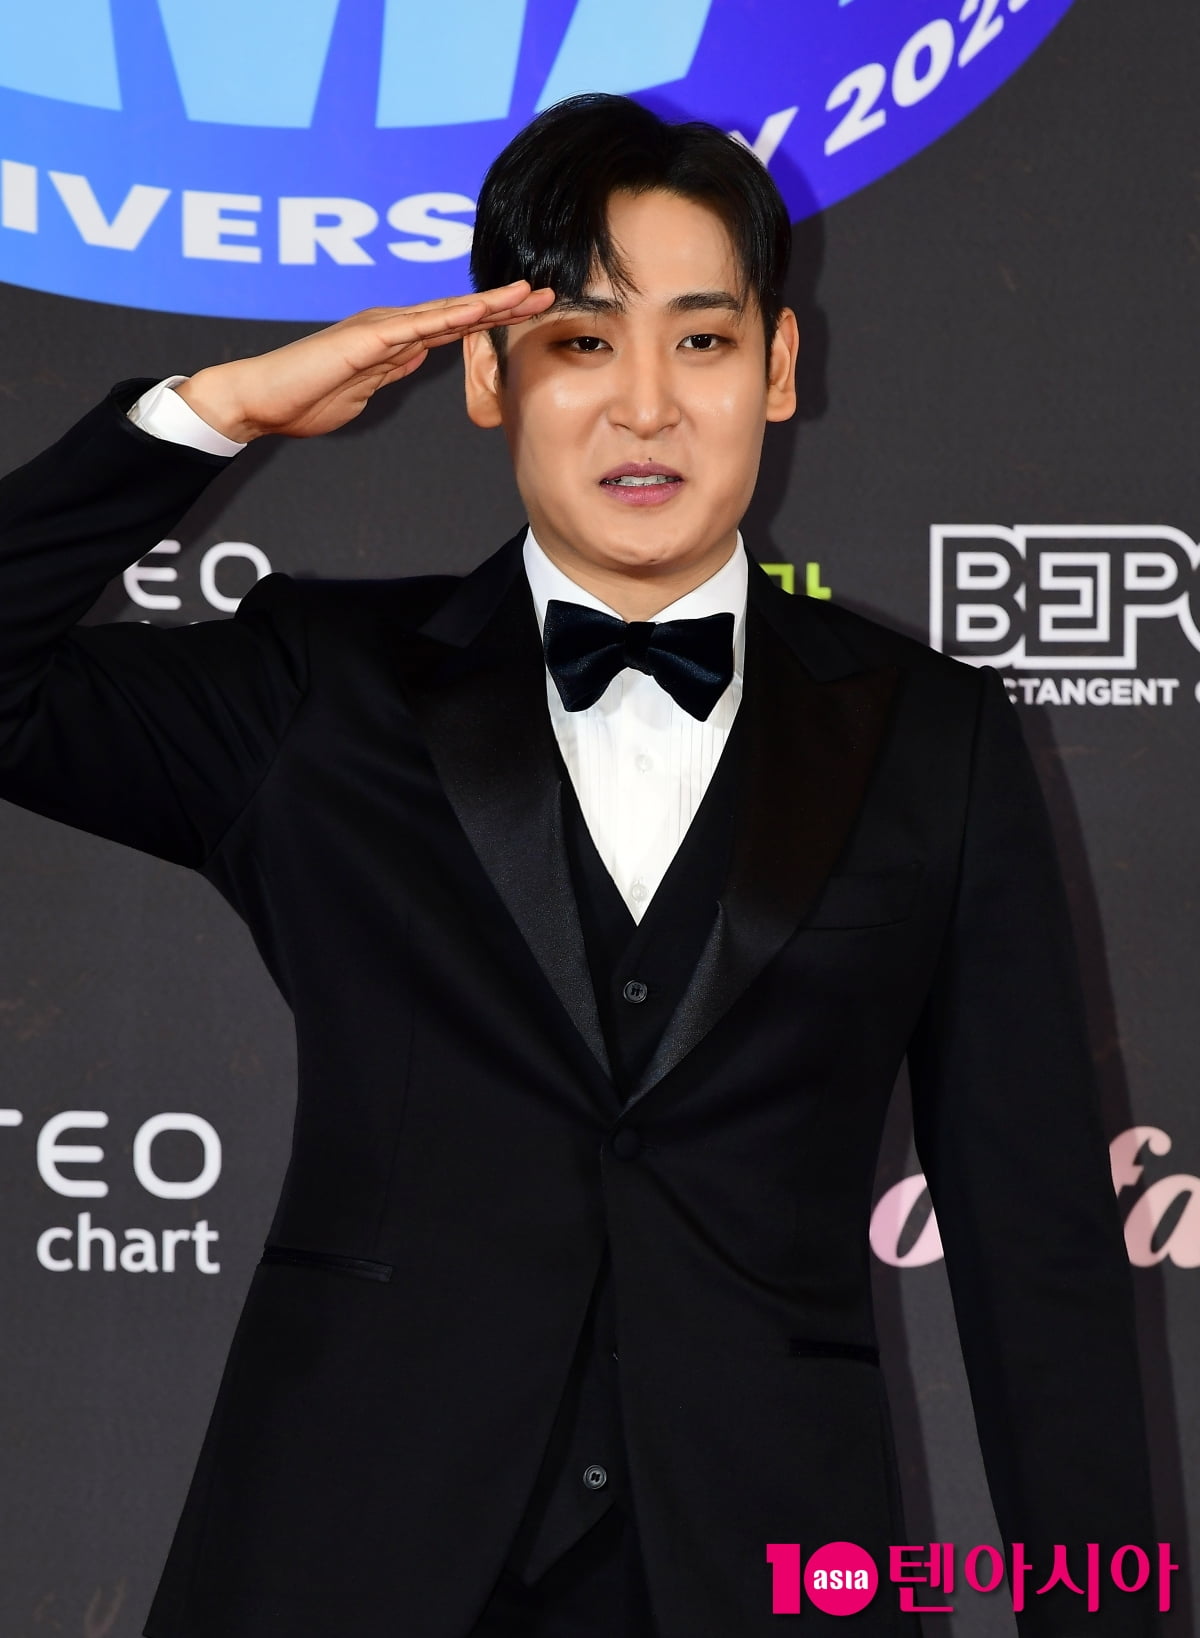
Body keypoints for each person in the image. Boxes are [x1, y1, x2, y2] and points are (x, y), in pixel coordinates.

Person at [0, 93, 1159, 1638]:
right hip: (342, 1564)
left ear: (780, 366)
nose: (647, 407)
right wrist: (212, 414)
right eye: (583, 341)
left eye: (702, 340)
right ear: (488, 374)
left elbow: (1040, 1256)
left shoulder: (933, 738)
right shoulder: (322, 692)